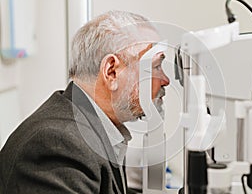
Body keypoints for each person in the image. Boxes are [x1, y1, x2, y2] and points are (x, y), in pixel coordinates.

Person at [0, 10, 170, 194]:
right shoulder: (59, 144)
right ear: (112, 71)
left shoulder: (90, 128)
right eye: (155, 67)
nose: (165, 79)